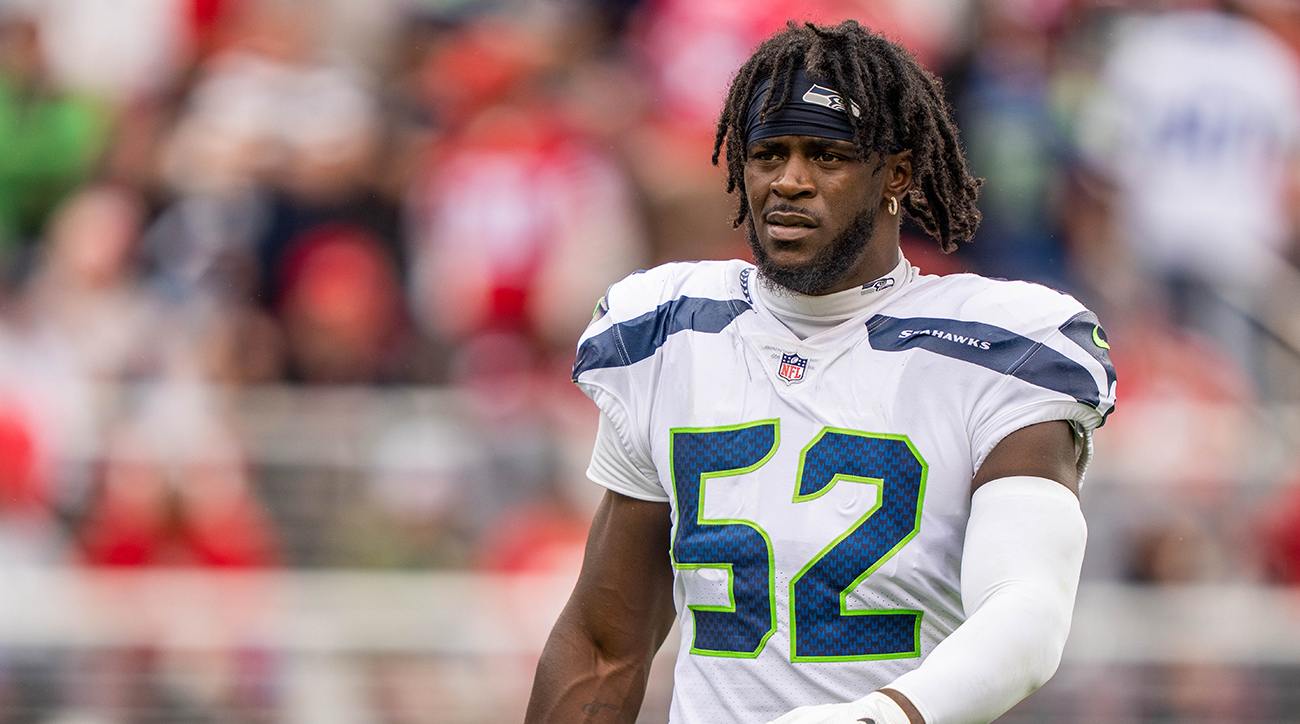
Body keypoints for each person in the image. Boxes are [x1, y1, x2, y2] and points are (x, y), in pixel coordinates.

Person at [525, 19, 1116, 724]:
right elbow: (604, 644)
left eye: (827, 156)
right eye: (769, 153)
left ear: (896, 172)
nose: (790, 182)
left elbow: (1026, 614)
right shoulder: (670, 330)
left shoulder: (999, 344)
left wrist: (878, 717)